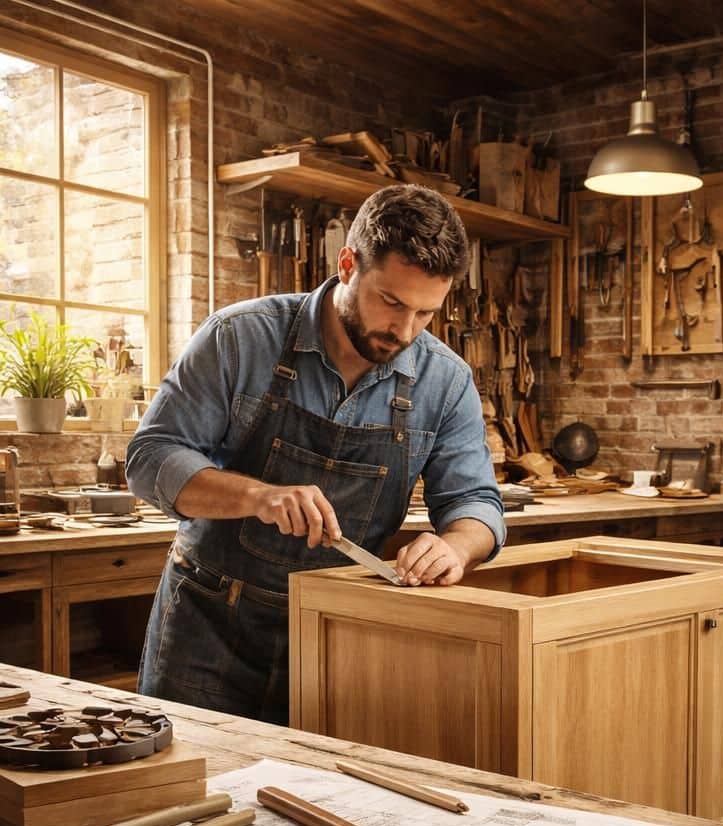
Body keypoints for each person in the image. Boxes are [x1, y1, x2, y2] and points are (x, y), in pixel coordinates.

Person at [127, 185, 505, 723]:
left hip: (337, 633)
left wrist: (456, 548)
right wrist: (259, 496)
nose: (404, 331)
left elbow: (476, 502)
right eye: (392, 302)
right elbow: (149, 459)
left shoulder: (445, 381)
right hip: (209, 622)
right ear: (347, 263)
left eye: (425, 313)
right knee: (186, 790)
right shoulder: (240, 337)